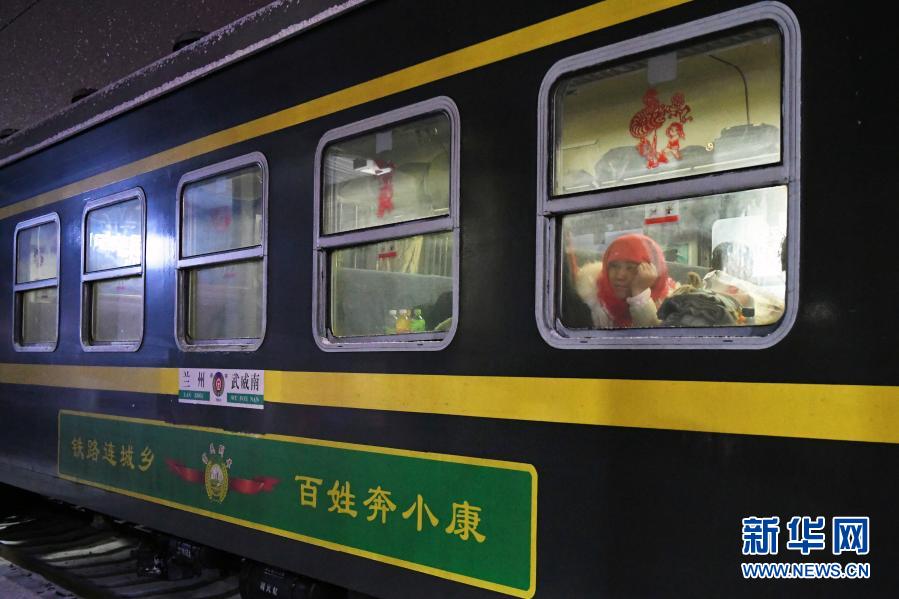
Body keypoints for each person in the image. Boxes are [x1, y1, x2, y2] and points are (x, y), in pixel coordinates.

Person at [570, 233, 676, 328]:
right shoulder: (590, 303)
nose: (620, 276)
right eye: (614, 266)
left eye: (630, 268)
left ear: (652, 271)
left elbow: (652, 338)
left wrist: (640, 294)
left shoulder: (674, 307)